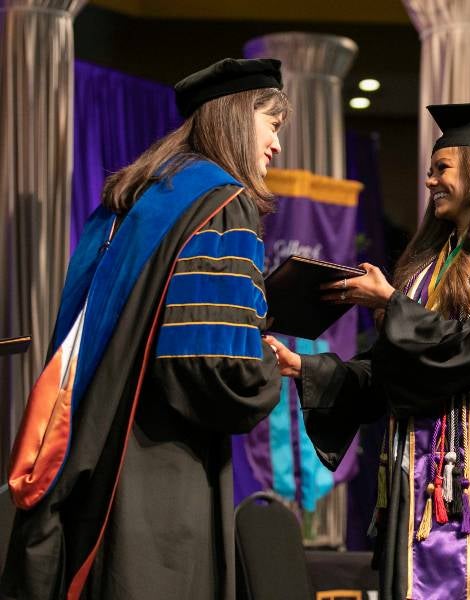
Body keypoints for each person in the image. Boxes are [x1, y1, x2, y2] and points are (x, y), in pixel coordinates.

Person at [1, 58, 286, 599]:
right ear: (238, 117)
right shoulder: (222, 203)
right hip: (162, 468)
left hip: (93, 451)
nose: (275, 146)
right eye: (272, 125)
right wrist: (266, 365)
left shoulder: (135, 197)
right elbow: (208, 368)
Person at [266, 102, 470, 599]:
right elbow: (391, 373)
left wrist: (391, 303)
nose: (429, 182)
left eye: (441, 168)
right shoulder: (432, 265)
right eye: (428, 171)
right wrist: (308, 368)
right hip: (411, 470)